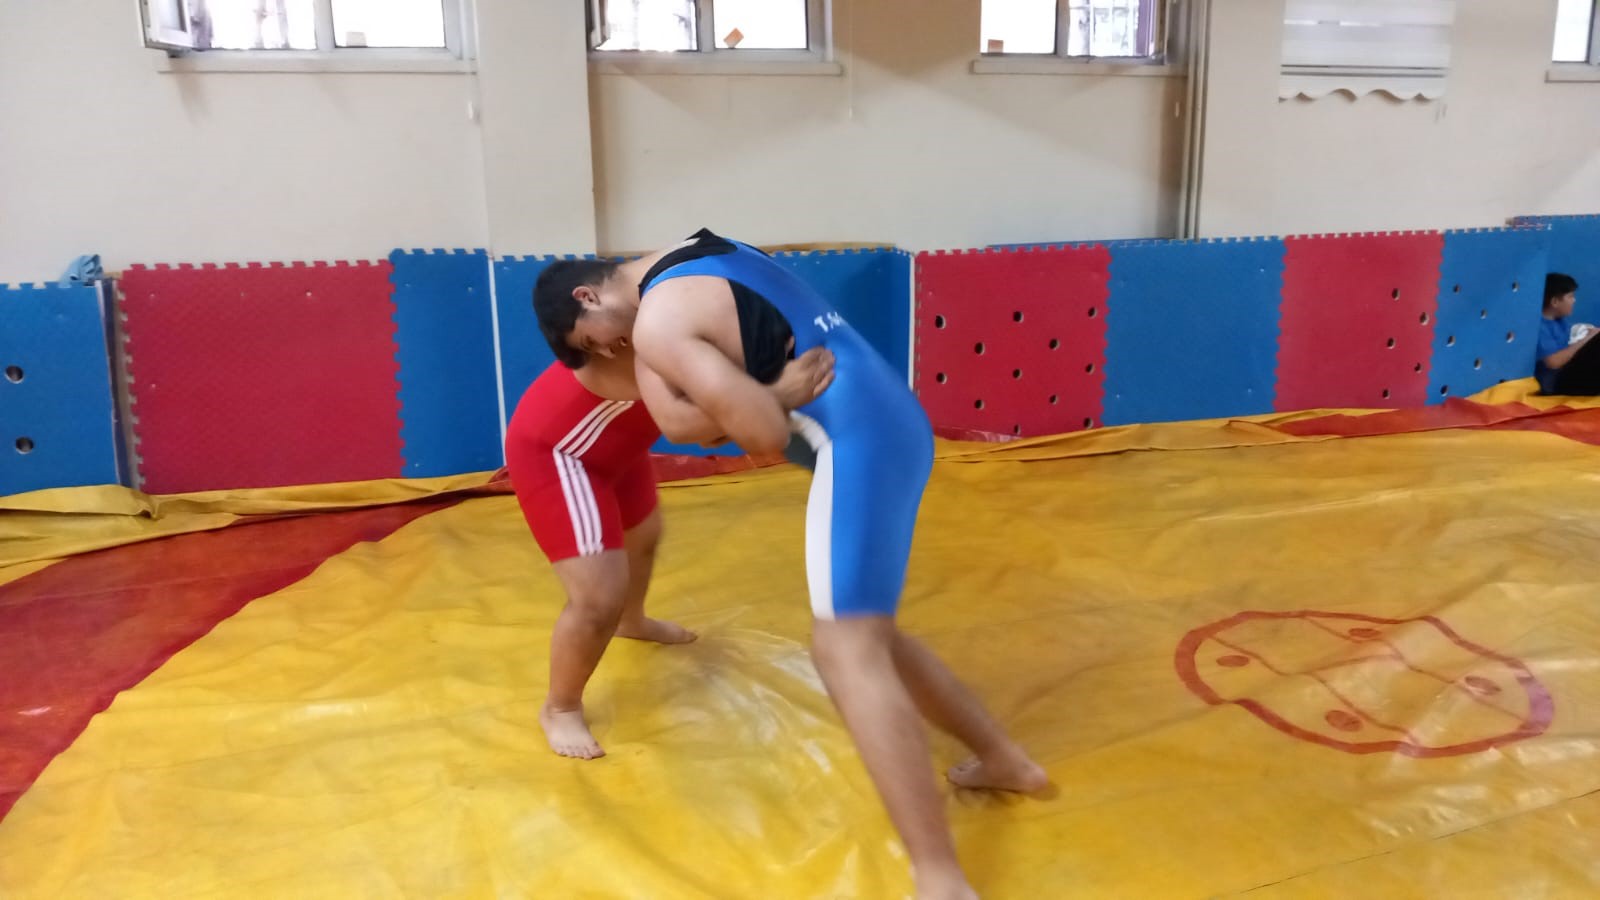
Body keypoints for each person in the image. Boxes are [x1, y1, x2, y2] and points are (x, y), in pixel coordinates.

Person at [533, 229, 1046, 900]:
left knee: (844, 649)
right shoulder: (701, 247)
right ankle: (1006, 760)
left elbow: (762, 434)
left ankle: (940, 876)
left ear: (588, 296)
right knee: (870, 634)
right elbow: (687, 416)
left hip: (852, 442)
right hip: (894, 418)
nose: (608, 352)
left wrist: (761, 397)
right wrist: (761, 386)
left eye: (594, 340)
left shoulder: (656, 323)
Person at [505, 347, 834, 760]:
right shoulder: (654, 341)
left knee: (644, 536)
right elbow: (691, 427)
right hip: (560, 453)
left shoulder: (686, 329)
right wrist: (777, 395)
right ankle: (560, 706)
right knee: (598, 598)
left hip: (617, 442)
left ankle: (631, 620)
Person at [1536, 272, 1600, 396]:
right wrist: (1588, 339)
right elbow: (1553, 362)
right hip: (1554, 383)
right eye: (1570, 297)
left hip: (1566, 375)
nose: (1574, 301)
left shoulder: (1560, 322)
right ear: (1555, 301)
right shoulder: (1540, 327)